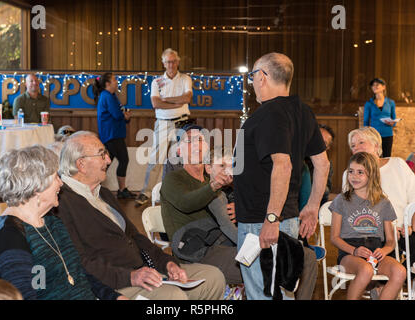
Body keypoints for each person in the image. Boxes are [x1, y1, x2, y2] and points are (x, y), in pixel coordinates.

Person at [55, 131, 225, 300]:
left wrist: (167, 263)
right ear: (81, 165)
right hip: (115, 284)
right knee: (172, 297)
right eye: (102, 155)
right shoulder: (62, 203)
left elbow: (135, 237)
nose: (108, 160)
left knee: (213, 278)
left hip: (146, 269)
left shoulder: (104, 194)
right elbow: (79, 262)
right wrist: (131, 276)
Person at [233, 52, 330, 300]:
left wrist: (271, 219)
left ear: (263, 76)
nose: (252, 81)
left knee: (263, 294)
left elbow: (283, 165)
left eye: (253, 75)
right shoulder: (302, 112)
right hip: (283, 218)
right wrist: (311, 207)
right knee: (279, 292)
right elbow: (323, 164)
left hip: (263, 220)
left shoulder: (269, 114)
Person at [0, 145, 128, 300]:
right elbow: (25, 295)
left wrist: (113, 296)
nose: (61, 183)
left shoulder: (51, 221)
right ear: (37, 187)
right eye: (56, 177)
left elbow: (79, 272)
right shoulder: (9, 237)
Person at [160, 125, 242, 285]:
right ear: (178, 152)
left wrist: (239, 210)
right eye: (189, 141)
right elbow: (187, 202)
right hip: (194, 252)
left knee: (300, 258)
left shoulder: (213, 182)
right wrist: (214, 186)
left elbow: (227, 217)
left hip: (219, 244)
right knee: (264, 264)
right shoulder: (174, 179)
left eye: (201, 139)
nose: (197, 144)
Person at [330, 152, 406, 300]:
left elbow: (390, 241)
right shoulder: (341, 200)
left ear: (372, 175)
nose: (354, 176)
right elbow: (334, 237)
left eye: (360, 172)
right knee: (366, 270)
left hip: (377, 252)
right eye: (351, 171)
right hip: (350, 253)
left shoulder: (383, 203)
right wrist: (354, 250)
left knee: (400, 271)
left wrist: (384, 251)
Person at [345, 127, 415, 267]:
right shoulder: (351, 174)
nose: (356, 148)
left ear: (376, 145)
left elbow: (414, 198)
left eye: (361, 143)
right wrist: (387, 228)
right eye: (353, 145)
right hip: (373, 232)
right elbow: (351, 211)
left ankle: (405, 277)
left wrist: (409, 225)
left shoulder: (398, 164)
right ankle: (387, 282)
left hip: (405, 228)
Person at [136, 48, 193, 206]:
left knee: (178, 159)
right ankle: (145, 193)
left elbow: (187, 98)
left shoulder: (185, 79)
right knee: (156, 159)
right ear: (163, 63)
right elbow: (155, 103)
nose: (171, 64)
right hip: (162, 122)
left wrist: (166, 100)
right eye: (168, 61)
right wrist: (177, 101)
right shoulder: (156, 82)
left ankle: (176, 192)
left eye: (174, 61)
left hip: (181, 122)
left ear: (178, 62)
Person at [92, 73, 135, 199]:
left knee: (106, 163)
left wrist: (125, 116)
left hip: (113, 134)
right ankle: (121, 190)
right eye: (114, 80)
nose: (117, 82)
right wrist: (125, 115)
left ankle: (94, 187)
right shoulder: (107, 96)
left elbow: (119, 114)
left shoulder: (111, 96)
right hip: (112, 135)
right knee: (121, 160)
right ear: (107, 84)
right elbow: (117, 114)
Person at [363, 78, 397, 157]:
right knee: (374, 157)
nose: (374, 87)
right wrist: (366, 135)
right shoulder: (369, 103)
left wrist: (392, 123)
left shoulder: (391, 102)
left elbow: (394, 119)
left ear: (383, 87)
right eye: (373, 85)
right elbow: (366, 121)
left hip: (387, 134)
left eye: (377, 85)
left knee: (387, 157)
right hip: (374, 135)